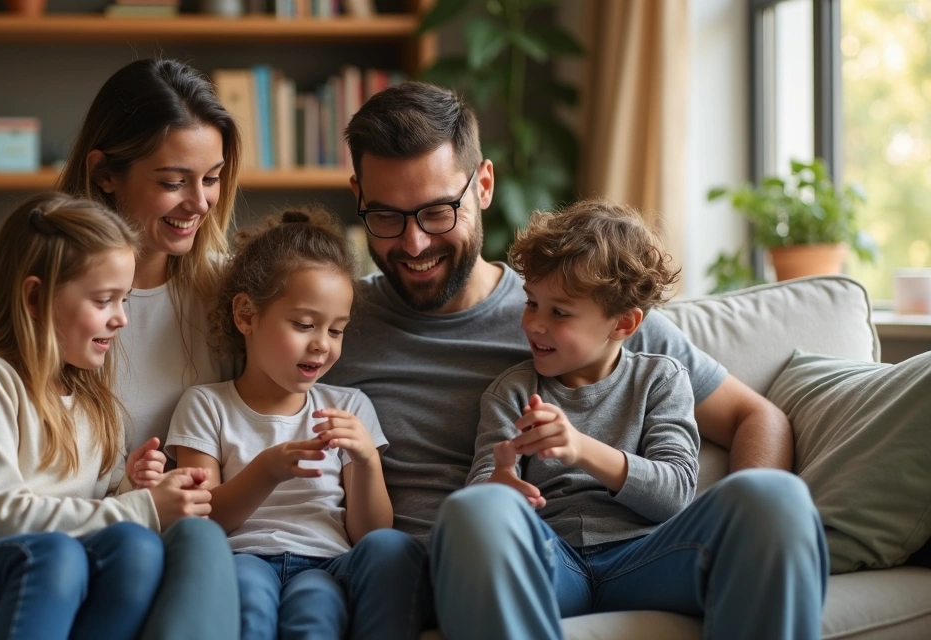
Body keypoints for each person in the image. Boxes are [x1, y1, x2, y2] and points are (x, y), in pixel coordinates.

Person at [324, 81, 828, 639]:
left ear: (483, 185)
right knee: (479, 513)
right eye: (387, 217)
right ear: (358, 197)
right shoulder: (328, 325)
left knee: (776, 499)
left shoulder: (589, 306)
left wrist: (740, 538)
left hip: (646, 553)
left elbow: (755, 417)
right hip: (494, 563)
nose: (415, 244)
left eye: (439, 211)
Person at [0, 60, 241, 632]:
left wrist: (137, 488)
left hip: (129, 551)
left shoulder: (228, 298)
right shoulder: (5, 289)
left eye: (212, 177)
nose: (201, 202)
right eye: (172, 181)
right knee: (65, 558)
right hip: (14, 555)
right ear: (105, 173)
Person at [166, 208, 429, 640]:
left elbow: (370, 534)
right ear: (246, 315)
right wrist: (267, 469)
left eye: (336, 330)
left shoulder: (350, 407)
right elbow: (203, 522)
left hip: (327, 563)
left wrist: (366, 462)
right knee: (249, 603)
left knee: (319, 613)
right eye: (304, 324)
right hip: (242, 558)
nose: (321, 345)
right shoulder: (206, 406)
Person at [467, 199, 707, 625]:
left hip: (646, 558)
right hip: (556, 564)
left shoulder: (661, 379)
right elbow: (485, 490)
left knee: (771, 496)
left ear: (623, 324)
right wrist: (498, 486)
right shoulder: (514, 391)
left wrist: (580, 448)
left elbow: (675, 495)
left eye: (558, 312)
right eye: (531, 303)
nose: (533, 324)